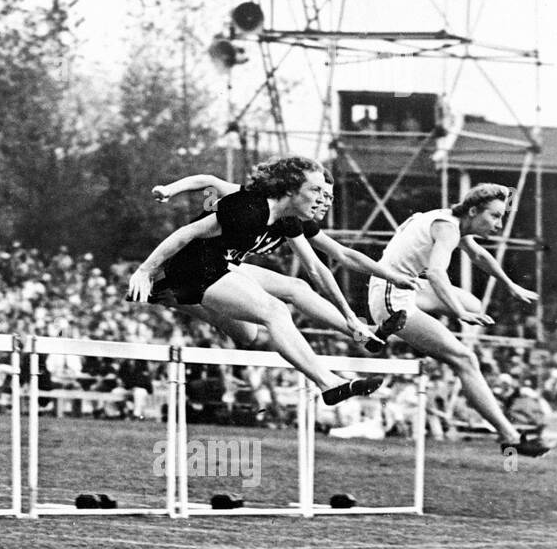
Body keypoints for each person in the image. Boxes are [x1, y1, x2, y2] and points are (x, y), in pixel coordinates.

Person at [126, 156, 386, 406]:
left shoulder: (287, 220)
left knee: (254, 327)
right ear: (291, 190)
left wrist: (352, 316)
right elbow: (187, 231)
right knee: (275, 311)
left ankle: (358, 333)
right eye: (317, 191)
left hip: (223, 263)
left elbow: (318, 269)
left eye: (326, 194)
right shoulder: (248, 207)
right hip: (192, 266)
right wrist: (145, 269)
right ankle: (329, 383)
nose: (322, 200)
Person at [366, 184, 551, 457]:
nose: (499, 225)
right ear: (474, 211)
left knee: (473, 302)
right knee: (465, 359)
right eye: (495, 216)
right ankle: (509, 436)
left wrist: (511, 285)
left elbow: (478, 255)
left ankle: (383, 331)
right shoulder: (447, 228)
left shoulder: (450, 221)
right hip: (391, 298)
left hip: (400, 286)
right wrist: (459, 314)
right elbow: (437, 274)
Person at [151, 172, 416, 352]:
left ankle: (364, 335)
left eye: (330, 198)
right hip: (194, 263)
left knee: (289, 297)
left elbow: (343, 255)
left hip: (227, 265)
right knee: (250, 332)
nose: (326, 204)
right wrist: (169, 190)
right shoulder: (254, 201)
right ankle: (171, 294)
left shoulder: (294, 221)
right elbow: (208, 180)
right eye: (321, 195)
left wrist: (390, 275)